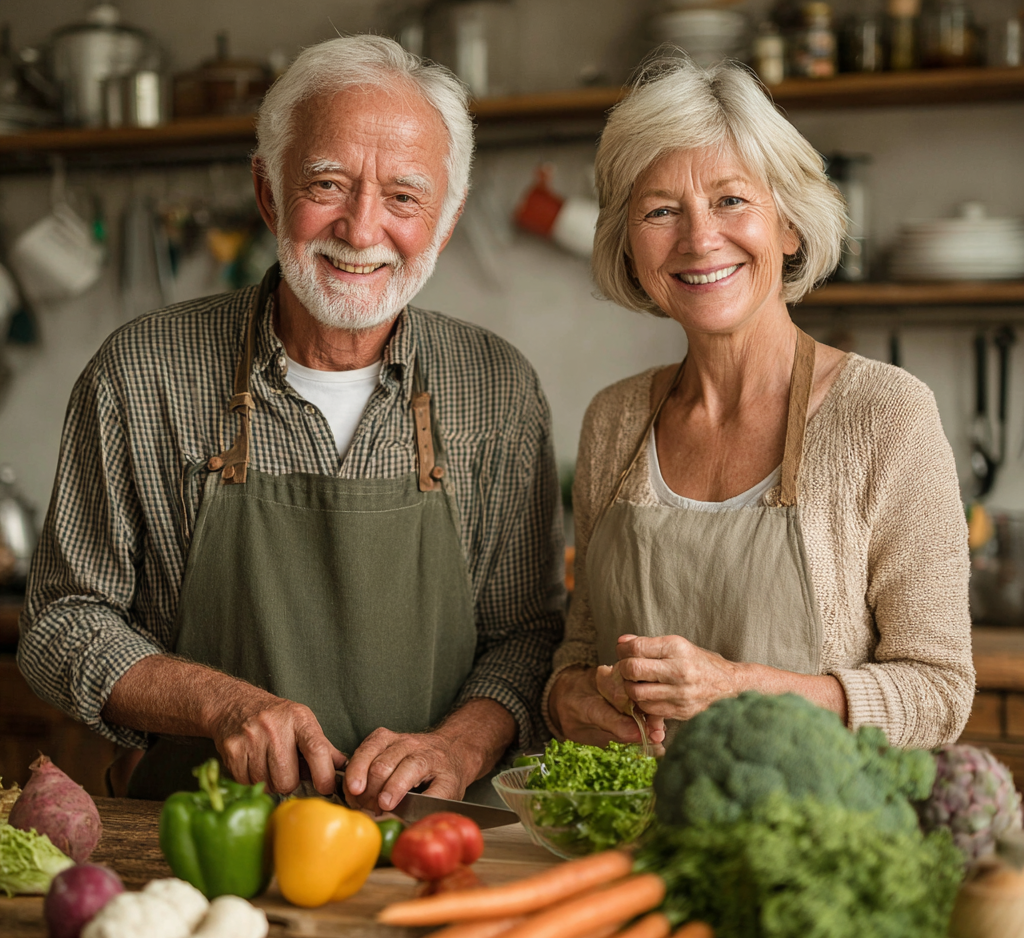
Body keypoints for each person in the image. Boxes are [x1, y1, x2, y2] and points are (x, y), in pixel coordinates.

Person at [18, 36, 564, 809]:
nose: (362, 228)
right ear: (269, 192)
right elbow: (62, 623)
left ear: (444, 221)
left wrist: (458, 744)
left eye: (404, 197)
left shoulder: (496, 388)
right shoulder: (140, 373)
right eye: (328, 184)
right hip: (199, 843)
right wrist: (222, 705)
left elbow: (530, 637)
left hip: (433, 845)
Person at [545, 55, 973, 751]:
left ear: (790, 226)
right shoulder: (614, 421)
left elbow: (938, 692)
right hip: (634, 845)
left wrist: (734, 688)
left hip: (810, 842)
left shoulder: (886, 414)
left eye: (731, 200)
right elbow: (580, 649)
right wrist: (573, 696)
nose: (699, 238)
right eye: (660, 211)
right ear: (629, 249)